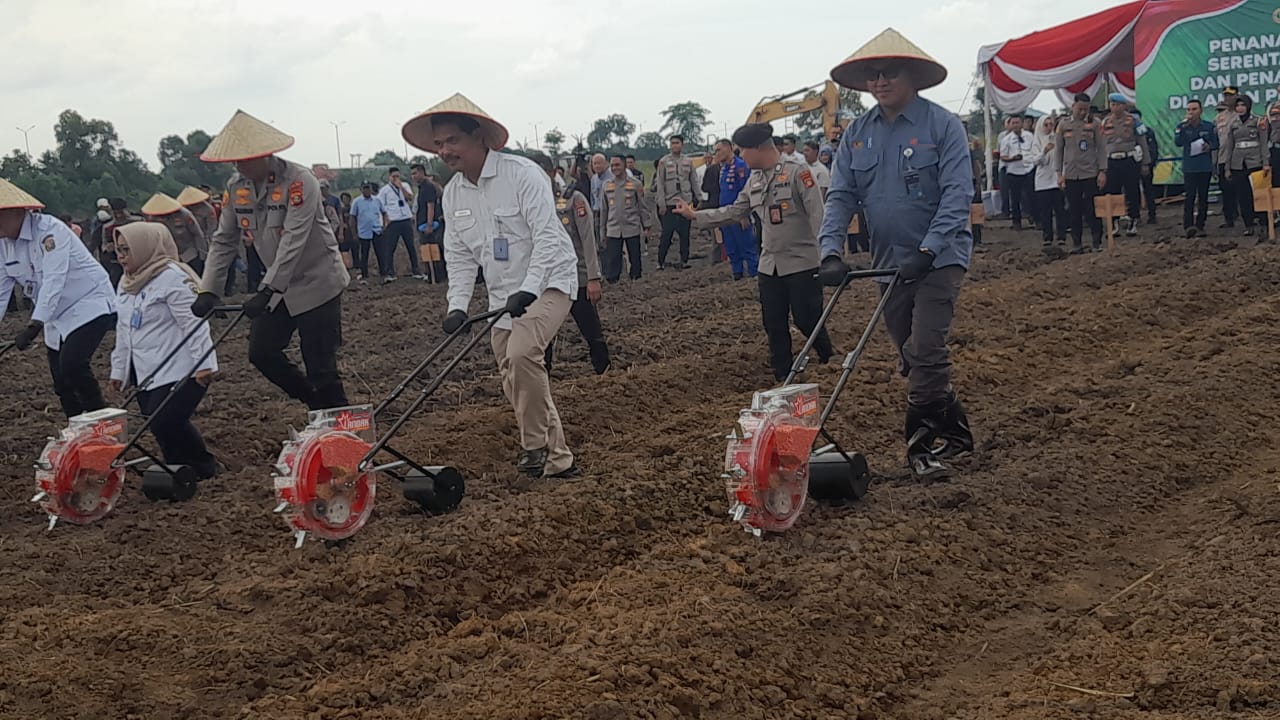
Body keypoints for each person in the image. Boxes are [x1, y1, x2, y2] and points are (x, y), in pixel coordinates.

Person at [817, 28, 975, 480]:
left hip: (940, 258)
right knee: (910, 355)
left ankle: (921, 446)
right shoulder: (857, 134)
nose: (880, 81)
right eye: (873, 74)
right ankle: (958, 431)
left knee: (926, 348)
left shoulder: (942, 126)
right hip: (888, 263)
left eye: (890, 73)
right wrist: (831, 250)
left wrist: (929, 248)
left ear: (914, 78)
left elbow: (957, 194)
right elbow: (841, 195)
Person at [403, 93, 579, 478]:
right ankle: (558, 457)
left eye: (453, 140)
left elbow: (547, 237)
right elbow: (461, 256)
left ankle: (533, 445)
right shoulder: (453, 193)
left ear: (479, 136)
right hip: (503, 295)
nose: (445, 151)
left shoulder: (522, 174)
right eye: (439, 144)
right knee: (513, 376)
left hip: (549, 280)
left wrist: (531, 288)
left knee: (522, 354)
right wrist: (457, 306)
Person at [192, 110, 350, 411]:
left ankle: (344, 429)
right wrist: (207, 289)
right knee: (261, 352)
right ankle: (315, 404)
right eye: (234, 160)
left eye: (245, 159)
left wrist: (266, 290)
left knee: (320, 365)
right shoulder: (235, 188)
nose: (239, 166)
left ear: (266, 154)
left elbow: (294, 240)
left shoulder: (300, 182)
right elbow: (224, 239)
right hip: (278, 287)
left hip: (317, 282)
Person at [674, 123, 832, 381]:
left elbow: (818, 215)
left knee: (807, 318)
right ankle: (783, 374)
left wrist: (826, 255)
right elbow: (734, 211)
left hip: (802, 263)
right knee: (773, 322)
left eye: (743, 150)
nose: (741, 156)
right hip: (770, 265)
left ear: (759, 148)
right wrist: (695, 215)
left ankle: (828, 357)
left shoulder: (798, 173)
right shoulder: (754, 180)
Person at [107, 222, 219, 480]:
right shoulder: (127, 282)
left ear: (145, 248)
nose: (121, 257)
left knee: (166, 420)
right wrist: (119, 371)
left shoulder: (173, 277)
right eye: (119, 250)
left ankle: (204, 467)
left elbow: (194, 324)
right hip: (146, 368)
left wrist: (204, 364)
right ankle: (178, 470)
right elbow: (124, 330)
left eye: (126, 250)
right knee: (157, 423)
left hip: (182, 366)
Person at [0, 178, 117, 418]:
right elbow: (1, 289)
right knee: (62, 383)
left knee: (73, 366)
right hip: (55, 315)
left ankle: (104, 429)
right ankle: (77, 432)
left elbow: (54, 279)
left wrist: (34, 324)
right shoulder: (4, 243)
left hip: (88, 303)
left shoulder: (50, 231)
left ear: (15, 212)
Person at [532, 152, 611, 375]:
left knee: (591, 329)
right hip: (545, 280)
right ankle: (543, 377)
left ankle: (604, 372)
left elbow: (587, 239)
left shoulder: (572, 199)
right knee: (542, 333)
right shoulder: (530, 203)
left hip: (577, 277)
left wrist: (594, 277)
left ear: (552, 173)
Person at [1055, 92, 1108, 253]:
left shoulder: (1095, 124)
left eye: (1086, 109)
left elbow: (1102, 149)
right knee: (1074, 209)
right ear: (1073, 107)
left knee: (1092, 209)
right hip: (1071, 174)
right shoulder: (1063, 125)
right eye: (1080, 109)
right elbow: (1059, 150)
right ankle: (1077, 243)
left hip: (1090, 173)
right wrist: (1059, 173)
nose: (1083, 112)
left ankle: (1097, 241)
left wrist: (1102, 171)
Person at [599, 153, 654, 282]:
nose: (614, 168)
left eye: (617, 165)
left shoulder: (636, 184)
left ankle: (636, 282)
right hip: (613, 229)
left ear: (624, 165)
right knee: (613, 260)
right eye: (612, 165)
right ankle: (613, 283)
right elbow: (604, 210)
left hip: (632, 228)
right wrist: (603, 231)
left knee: (635, 258)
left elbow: (642, 207)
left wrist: (647, 226)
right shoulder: (606, 185)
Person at [1102, 93, 1149, 237]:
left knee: (1132, 191)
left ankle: (1133, 220)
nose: (1114, 107)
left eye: (1117, 104)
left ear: (1124, 106)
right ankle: (1115, 222)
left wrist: (1145, 162)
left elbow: (1142, 141)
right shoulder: (1105, 122)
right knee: (1113, 192)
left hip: (1129, 160)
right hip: (1112, 161)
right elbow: (1102, 144)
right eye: (1112, 104)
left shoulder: (1133, 120)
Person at [713, 137, 758, 279]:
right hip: (726, 214)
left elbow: (746, 190)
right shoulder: (723, 169)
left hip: (738, 214)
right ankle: (737, 275)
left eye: (719, 150)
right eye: (715, 151)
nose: (717, 153)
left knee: (747, 246)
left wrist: (744, 215)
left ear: (729, 148)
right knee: (731, 248)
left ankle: (753, 275)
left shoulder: (740, 166)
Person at [654, 134, 700, 269]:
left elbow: (694, 181)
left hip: (685, 202)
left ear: (682, 144)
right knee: (667, 233)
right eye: (672, 143)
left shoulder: (688, 161)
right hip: (669, 203)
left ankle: (684, 260)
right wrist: (661, 203)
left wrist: (699, 197)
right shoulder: (663, 162)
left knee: (685, 233)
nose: (675, 145)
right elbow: (660, 184)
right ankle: (660, 262)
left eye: (677, 143)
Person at [1174, 99, 1218, 238]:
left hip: (1204, 167)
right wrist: (1183, 127)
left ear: (1201, 110)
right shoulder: (1182, 126)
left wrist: (1209, 146)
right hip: (1189, 168)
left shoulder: (1208, 126)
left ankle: (1200, 225)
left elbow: (1216, 142)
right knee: (1189, 197)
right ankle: (1188, 226)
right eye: (1189, 109)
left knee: (1203, 197)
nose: (1191, 112)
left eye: (1194, 109)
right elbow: (1178, 143)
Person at [1223, 94, 1265, 236]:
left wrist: (1266, 163)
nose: (1240, 108)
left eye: (1243, 105)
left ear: (1248, 106)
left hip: (1255, 162)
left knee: (1259, 195)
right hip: (1238, 164)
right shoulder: (1233, 124)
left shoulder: (1258, 121)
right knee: (1243, 196)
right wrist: (1227, 167)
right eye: (1238, 106)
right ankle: (1248, 224)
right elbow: (1230, 147)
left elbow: (1264, 144)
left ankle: (1263, 223)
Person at [141, 192, 209, 273]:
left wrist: (203, 256)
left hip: (189, 254)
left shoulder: (184, 214)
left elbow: (197, 234)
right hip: (167, 258)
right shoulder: (151, 219)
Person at [377, 167, 424, 280]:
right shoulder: (384, 191)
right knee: (390, 247)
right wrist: (384, 222)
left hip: (406, 219)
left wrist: (401, 187)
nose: (396, 178)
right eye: (394, 177)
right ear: (389, 177)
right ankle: (390, 272)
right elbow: (380, 207)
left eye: (398, 176)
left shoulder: (405, 185)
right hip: (393, 221)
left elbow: (410, 198)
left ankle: (416, 270)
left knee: (411, 246)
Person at [1030, 115, 1066, 247]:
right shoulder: (1036, 141)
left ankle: (1061, 236)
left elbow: (1063, 157)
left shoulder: (1057, 138)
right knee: (1045, 211)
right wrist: (1044, 151)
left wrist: (1063, 176)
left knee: (1060, 210)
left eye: (1051, 124)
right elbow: (1035, 161)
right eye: (1046, 125)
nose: (1049, 127)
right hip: (1043, 181)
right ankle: (1047, 237)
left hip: (1056, 178)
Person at [411, 162, 446, 283]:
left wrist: (429, 224)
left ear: (421, 172)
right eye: (412, 174)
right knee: (426, 250)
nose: (413, 176)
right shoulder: (422, 187)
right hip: (422, 224)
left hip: (429, 225)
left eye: (415, 173)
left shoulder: (428, 187)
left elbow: (430, 206)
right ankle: (431, 275)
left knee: (433, 250)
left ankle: (436, 276)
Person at [1000, 113, 1034, 231]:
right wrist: (1012, 158)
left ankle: (1034, 217)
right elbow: (1003, 156)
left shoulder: (1029, 136)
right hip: (1013, 171)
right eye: (1013, 123)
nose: (1015, 125)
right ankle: (1016, 221)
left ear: (1022, 123)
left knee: (1032, 196)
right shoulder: (1006, 140)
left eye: (1017, 122)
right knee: (1015, 198)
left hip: (1028, 169)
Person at [101, 198, 142, 287]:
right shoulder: (107, 227)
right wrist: (107, 248)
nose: (119, 216)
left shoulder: (138, 222)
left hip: (138, 261)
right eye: (116, 213)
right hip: (117, 263)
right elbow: (103, 245)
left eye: (121, 212)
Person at [1215, 87, 1241, 229]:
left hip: (1240, 157)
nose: (1227, 99)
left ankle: (1248, 218)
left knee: (1242, 189)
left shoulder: (1242, 113)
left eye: (1230, 96)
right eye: (1225, 96)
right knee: (1225, 189)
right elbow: (1216, 139)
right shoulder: (1220, 117)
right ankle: (1229, 218)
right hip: (1223, 157)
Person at [349, 183, 385, 283]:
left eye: (368, 188)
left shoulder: (377, 200)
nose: (366, 190)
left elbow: (384, 212)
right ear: (361, 190)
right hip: (364, 231)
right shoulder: (356, 202)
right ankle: (364, 273)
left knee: (380, 252)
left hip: (376, 230)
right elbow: (352, 218)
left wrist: (384, 226)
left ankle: (383, 272)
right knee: (364, 253)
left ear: (371, 189)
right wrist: (354, 233)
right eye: (364, 188)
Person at [1132, 109, 1160, 224]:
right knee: (1133, 192)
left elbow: (1152, 149)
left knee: (1148, 190)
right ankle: (1135, 216)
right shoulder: (1126, 133)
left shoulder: (1147, 131)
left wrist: (1148, 163)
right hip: (1131, 166)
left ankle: (1152, 215)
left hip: (1145, 165)